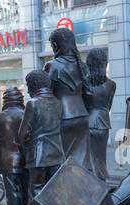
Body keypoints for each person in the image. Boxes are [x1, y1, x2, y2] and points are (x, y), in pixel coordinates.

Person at [44, 28, 93, 172]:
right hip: (82, 116)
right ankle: (84, 189)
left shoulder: (52, 65)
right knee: (82, 159)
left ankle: (68, 192)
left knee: (62, 160)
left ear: (56, 45)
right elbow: (89, 94)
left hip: (62, 118)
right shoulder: (82, 66)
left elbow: (46, 95)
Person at [19, 70, 66, 205]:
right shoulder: (58, 103)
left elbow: (23, 133)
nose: (27, 89)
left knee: (36, 188)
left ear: (33, 85)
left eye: (28, 85)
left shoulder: (32, 103)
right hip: (57, 153)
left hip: (38, 154)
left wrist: (26, 147)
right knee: (55, 188)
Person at [84, 48, 116, 181]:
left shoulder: (84, 83)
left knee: (89, 157)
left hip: (87, 122)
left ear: (89, 64)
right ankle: (102, 180)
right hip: (103, 123)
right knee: (101, 157)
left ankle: (91, 183)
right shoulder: (111, 84)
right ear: (105, 63)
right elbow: (108, 106)